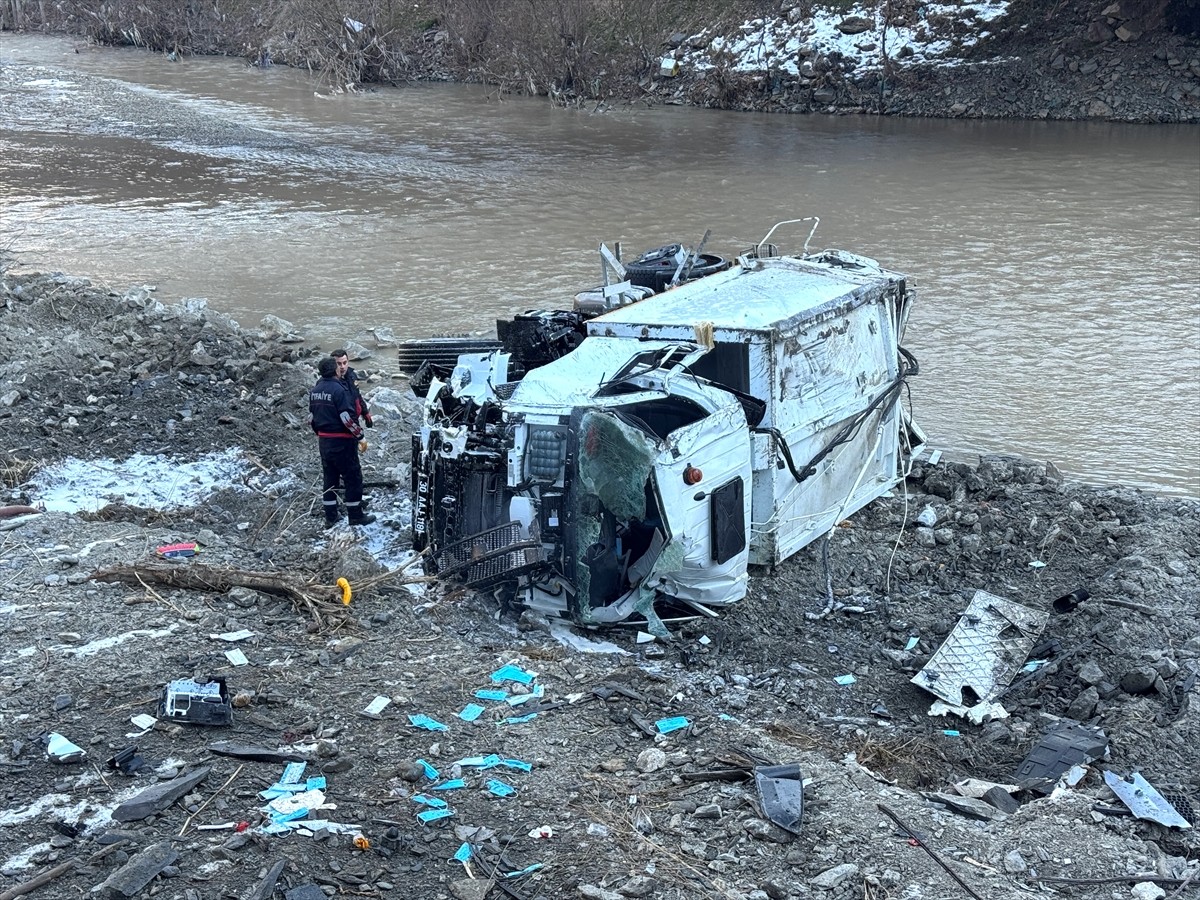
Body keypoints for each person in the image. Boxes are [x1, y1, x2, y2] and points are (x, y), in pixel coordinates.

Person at [309, 356, 375, 527]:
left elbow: (312, 418)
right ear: (335, 370)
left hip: (324, 442)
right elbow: (346, 418)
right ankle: (355, 516)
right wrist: (360, 436)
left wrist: (320, 434)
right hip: (342, 441)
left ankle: (330, 517)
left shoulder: (315, 390)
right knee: (353, 477)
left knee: (329, 478)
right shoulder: (338, 390)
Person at [333, 349, 373, 430]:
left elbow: (357, 395)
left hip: (354, 419)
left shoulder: (351, 375)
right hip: (339, 424)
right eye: (339, 364)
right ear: (333, 364)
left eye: (345, 363)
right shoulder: (331, 382)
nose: (342, 367)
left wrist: (365, 412)